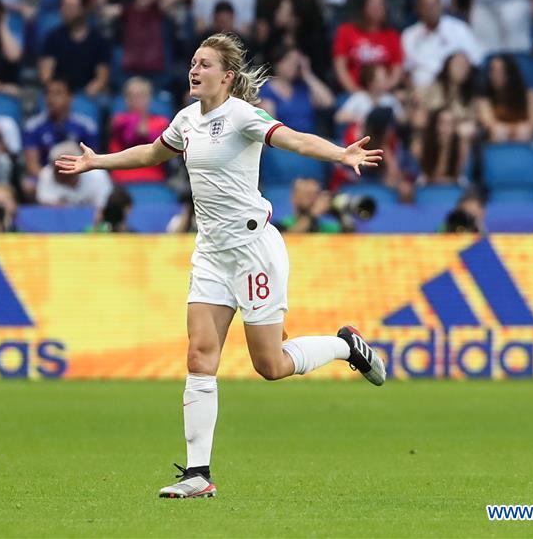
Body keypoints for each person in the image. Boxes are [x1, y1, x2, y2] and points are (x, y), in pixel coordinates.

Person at [55, 32, 386, 499]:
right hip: (211, 252)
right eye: (193, 62)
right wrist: (98, 163)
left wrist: (341, 153)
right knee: (198, 356)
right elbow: (151, 153)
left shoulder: (243, 115)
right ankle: (197, 474)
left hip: (253, 250)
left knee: (270, 365)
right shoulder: (186, 119)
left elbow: (292, 139)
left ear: (227, 77)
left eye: (205, 64)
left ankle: (345, 346)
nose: (194, 69)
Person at [253, 0, 328, 74]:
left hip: (304, 51)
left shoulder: (307, 0)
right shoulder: (265, 1)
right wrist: (277, 24)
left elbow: (318, 33)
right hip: (274, 55)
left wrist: (296, 24)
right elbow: (261, 39)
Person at [23, 78, 99, 197]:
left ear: (70, 97)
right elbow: (32, 166)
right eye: (48, 93)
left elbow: (93, 160)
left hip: (79, 176)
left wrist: (73, 178)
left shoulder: (86, 126)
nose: (51, 98)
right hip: (46, 177)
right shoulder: (33, 126)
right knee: (28, 185)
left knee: (99, 177)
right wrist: (54, 179)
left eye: (57, 93)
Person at [401, 0, 483, 89]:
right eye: (427, 6)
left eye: (434, 5)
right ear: (419, 9)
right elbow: (404, 71)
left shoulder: (459, 29)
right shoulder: (409, 35)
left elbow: (476, 60)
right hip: (421, 92)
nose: (431, 10)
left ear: (441, 5)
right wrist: (413, 92)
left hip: (453, 90)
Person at [38, 0, 110, 97]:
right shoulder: (53, 37)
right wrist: (59, 92)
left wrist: (89, 92)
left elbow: (102, 78)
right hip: (59, 91)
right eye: (64, 6)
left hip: (88, 94)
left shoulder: (99, 40)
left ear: (84, 9)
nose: (66, 11)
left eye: (71, 7)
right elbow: (46, 75)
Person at [332, 0, 403, 93]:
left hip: (384, 92)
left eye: (380, 5)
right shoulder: (346, 31)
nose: (376, 8)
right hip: (352, 91)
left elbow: (396, 72)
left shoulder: (392, 35)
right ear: (363, 7)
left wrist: (381, 91)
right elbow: (340, 67)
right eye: (372, 4)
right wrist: (355, 91)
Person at [109, 77, 171, 184]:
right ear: (126, 99)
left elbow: (164, 150)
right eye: (132, 95)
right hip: (122, 177)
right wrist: (137, 120)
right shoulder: (118, 120)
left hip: (154, 176)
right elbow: (128, 138)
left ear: (149, 98)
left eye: (141, 95)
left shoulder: (161, 122)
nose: (137, 99)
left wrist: (147, 133)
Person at [260, 47, 333, 135]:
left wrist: (308, 74)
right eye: (289, 62)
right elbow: (269, 127)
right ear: (278, 63)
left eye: (296, 64)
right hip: (282, 143)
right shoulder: (267, 89)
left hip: (309, 141)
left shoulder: (303, 87)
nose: (293, 67)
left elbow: (328, 102)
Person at [411, 52, 479, 144]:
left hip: (457, 141)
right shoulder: (431, 89)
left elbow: (472, 122)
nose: (462, 69)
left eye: (465, 66)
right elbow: (416, 109)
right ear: (448, 66)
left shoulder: (470, 96)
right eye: (458, 65)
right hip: (430, 135)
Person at [477, 54, 533, 142]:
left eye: (501, 70)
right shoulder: (484, 97)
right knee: (499, 131)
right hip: (498, 135)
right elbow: (488, 122)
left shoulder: (530, 94)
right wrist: (510, 130)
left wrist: (514, 130)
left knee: (524, 130)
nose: (496, 75)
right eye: (493, 70)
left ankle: (521, 155)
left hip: (523, 135)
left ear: (510, 72)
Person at [37, 140, 112, 207]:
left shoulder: (97, 175)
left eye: (64, 167)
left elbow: (104, 205)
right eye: (57, 167)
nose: (59, 172)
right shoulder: (47, 174)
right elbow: (45, 206)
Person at [415, 107, 470, 185]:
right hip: (429, 186)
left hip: (452, 186)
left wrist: (446, 148)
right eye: (442, 122)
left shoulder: (461, 146)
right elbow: (431, 173)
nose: (446, 127)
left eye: (450, 123)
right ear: (435, 125)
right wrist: (442, 148)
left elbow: (456, 174)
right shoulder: (422, 145)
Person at [335, 64, 405, 126]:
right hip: (363, 136)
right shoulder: (359, 97)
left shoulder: (390, 99)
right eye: (381, 79)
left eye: (385, 78)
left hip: (384, 138)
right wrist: (362, 118)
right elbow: (339, 117)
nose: (385, 81)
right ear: (370, 83)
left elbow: (402, 120)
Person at [275, 177, 341, 233]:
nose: (313, 199)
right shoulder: (280, 226)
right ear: (293, 197)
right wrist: (312, 214)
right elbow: (289, 237)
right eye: (307, 194)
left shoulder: (328, 228)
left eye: (316, 194)